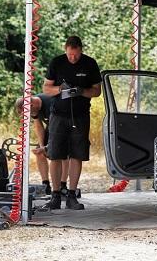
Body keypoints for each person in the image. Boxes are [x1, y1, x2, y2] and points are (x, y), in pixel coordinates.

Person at [43, 36, 101, 210]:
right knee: (55, 154)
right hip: (58, 115)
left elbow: (97, 91)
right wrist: (60, 89)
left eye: (76, 55)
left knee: (77, 154)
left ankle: (72, 195)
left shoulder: (90, 63)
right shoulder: (57, 62)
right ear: (65, 50)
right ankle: (55, 194)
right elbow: (46, 88)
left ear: (81, 50)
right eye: (70, 55)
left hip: (80, 116)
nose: (73, 58)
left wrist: (81, 91)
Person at [14, 94, 69, 195]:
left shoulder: (51, 102)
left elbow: (58, 130)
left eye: (28, 113)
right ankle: (45, 185)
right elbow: (38, 125)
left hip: (65, 127)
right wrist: (42, 145)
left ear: (31, 105)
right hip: (51, 127)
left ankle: (62, 185)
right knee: (39, 152)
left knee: (61, 154)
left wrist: (48, 147)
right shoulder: (34, 108)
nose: (30, 115)